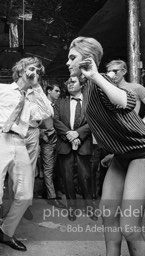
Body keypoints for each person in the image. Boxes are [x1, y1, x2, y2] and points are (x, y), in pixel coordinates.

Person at [67, 36, 145, 256]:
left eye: (72, 58)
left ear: (87, 59)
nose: (68, 63)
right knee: (108, 215)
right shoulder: (87, 88)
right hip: (121, 155)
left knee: (129, 226)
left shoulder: (100, 82)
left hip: (142, 153)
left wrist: (96, 75)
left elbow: (126, 102)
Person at [0, 57, 52, 256]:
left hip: (20, 142)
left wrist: (37, 87)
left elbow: (48, 112)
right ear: (21, 69)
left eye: (38, 72)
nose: (35, 73)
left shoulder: (32, 99)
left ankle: (6, 232)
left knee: (25, 195)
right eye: (32, 69)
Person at [53, 76, 97, 221]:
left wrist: (78, 134)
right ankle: (72, 209)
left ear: (82, 85)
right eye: (68, 82)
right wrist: (69, 135)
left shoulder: (90, 102)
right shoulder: (60, 102)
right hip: (65, 145)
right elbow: (56, 121)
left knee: (85, 178)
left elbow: (93, 121)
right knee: (67, 178)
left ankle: (90, 208)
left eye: (73, 81)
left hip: (83, 144)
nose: (69, 84)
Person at [106, 60, 145, 127]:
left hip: (130, 129)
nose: (112, 74)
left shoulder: (136, 87)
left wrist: (144, 127)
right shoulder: (107, 89)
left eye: (115, 71)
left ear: (124, 71)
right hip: (112, 130)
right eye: (109, 72)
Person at [39, 82, 66, 208]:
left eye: (59, 91)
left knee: (55, 168)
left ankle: (49, 192)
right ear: (49, 91)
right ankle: (52, 197)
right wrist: (42, 134)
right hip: (48, 141)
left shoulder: (56, 105)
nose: (58, 93)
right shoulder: (43, 104)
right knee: (48, 169)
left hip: (58, 140)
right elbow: (35, 121)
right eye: (56, 91)